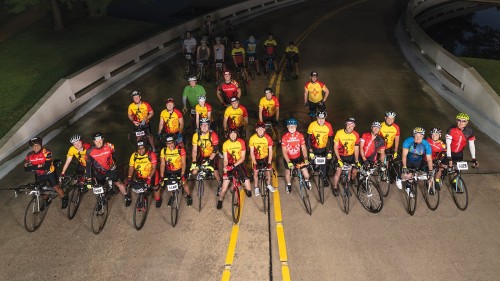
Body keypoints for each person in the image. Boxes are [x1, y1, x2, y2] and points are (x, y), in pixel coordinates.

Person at [86, 132, 131, 207]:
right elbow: (88, 165)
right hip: (99, 172)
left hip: (110, 170)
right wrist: (88, 178)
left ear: (103, 139)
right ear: (93, 141)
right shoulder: (89, 151)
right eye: (96, 140)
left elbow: (113, 155)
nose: (99, 142)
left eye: (100, 139)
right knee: (99, 186)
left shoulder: (109, 146)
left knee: (118, 183)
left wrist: (114, 164)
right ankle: (101, 199)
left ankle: (127, 196)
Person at [24, 137, 68, 209]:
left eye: (37, 145)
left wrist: (33, 167)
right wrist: (38, 166)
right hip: (39, 174)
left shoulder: (47, 152)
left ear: (41, 144)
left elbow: (46, 167)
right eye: (33, 146)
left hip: (49, 173)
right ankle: (47, 200)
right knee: (40, 190)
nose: (35, 147)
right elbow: (26, 169)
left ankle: (64, 198)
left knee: (56, 187)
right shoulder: (29, 155)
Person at [217, 127, 253, 210]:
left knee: (248, 186)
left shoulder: (241, 142)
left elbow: (243, 158)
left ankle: (246, 189)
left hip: (239, 164)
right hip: (229, 164)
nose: (233, 135)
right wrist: (226, 169)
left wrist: (233, 166)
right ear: (229, 135)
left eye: (234, 133)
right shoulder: (225, 144)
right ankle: (220, 200)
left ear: (237, 134)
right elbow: (225, 159)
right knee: (224, 188)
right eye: (231, 134)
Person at [159, 134, 192, 207]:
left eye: (172, 143)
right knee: (169, 183)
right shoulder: (163, 151)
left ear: (175, 142)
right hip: (169, 170)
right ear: (166, 144)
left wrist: (182, 174)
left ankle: (188, 195)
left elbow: (183, 163)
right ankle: (172, 196)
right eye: (168, 143)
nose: (170, 145)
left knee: (184, 183)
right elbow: (162, 164)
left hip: (180, 169)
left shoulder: (181, 150)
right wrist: (161, 176)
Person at [190, 118, 222, 193]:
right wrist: (194, 161)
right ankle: (203, 172)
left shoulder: (213, 135)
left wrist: (209, 160)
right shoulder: (196, 136)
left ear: (209, 126)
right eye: (202, 125)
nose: (204, 127)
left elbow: (215, 150)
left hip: (213, 155)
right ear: (200, 126)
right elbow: (194, 150)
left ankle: (220, 183)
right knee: (194, 171)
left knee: (215, 172)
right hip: (202, 155)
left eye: (206, 125)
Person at [126, 141, 161, 208]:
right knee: (140, 186)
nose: (141, 150)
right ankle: (142, 197)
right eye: (139, 148)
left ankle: (158, 199)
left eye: (143, 148)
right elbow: (131, 168)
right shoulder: (134, 155)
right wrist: (129, 178)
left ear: (146, 148)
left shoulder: (151, 154)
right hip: (140, 175)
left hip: (152, 174)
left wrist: (149, 177)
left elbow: (154, 168)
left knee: (155, 187)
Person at [400, 127, 434, 196]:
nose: (418, 138)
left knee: (414, 175)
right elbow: (404, 155)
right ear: (413, 135)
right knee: (407, 175)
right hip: (408, 160)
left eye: (420, 136)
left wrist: (431, 171)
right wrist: (404, 166)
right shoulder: (408, 141)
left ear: (423, 136)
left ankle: (409, 186)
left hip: (418, 161)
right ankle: (399, 177)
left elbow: (429, 159)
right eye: (416, 136)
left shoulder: (426, 144)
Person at [281, 118, 311, 193]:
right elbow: (284, 151)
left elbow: (303, 148)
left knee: (306, 174)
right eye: (290, 126)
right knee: (288, 172)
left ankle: (307, 180)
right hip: (288, 158)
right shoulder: (285, 137)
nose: (292, 128)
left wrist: (306, 158)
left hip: (298, 157)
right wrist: (288, 162)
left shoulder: (300, 136)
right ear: (287, 127)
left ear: (296, 126)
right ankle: (288, 184)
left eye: (293, 126)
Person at [332, 118, 360, 196]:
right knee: (338, 171)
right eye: (348, 125)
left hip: (350, 157)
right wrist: (339, 159)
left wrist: (357, 160)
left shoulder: (356, 135)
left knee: (349, 172)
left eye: (352, 126)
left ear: (354, 127)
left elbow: (356, 148)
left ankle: (347, 188)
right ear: (345, 125)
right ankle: (335, 187)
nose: (350, 127)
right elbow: (335, 147)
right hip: (340, 156)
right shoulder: (339, 133)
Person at [306, 110, 334, 187]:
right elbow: (308, 139)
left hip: (323, 148)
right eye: (319, 118)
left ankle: (324, 177)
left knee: (324, 163)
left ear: (325, 118)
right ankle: (309, 176)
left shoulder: (328, 126)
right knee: (311, 162)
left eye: (323, 119)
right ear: (316, 118)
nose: (321, 121)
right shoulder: (312, 125)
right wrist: (310, 150)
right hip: (313, 147)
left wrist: (330, 152)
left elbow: (332, 140)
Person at [249, 121, 276, 196]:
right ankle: (256, 187)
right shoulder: (252, 138)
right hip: (256, 158)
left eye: (262, 129)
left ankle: (268, 185)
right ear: (256, 130)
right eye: (258, 129)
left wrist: (269, 163)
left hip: (265, 157)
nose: (260, 130)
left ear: (264, 130)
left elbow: (270, 151)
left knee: (267, 171)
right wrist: (254, 163)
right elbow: (251, 152)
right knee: (256, 172)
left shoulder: (268, 138)